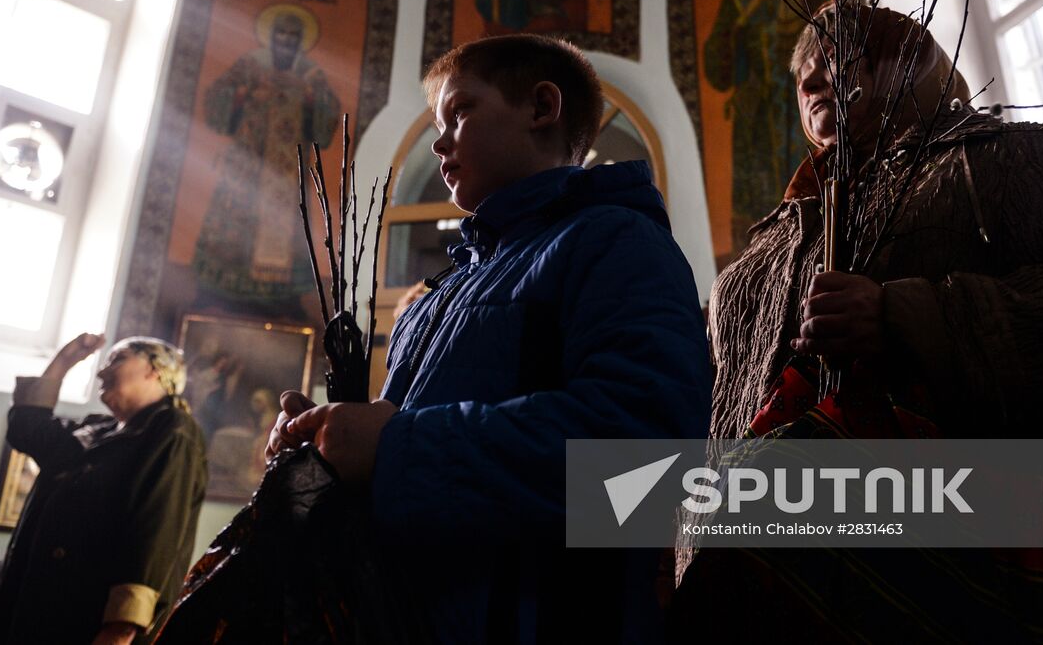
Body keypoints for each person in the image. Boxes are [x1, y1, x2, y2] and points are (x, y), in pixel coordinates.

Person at [672, 4, 1043, 643]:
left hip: (984, 593)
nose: (810, 82)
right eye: (802, 75)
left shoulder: (1006, 160)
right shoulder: (763, 249)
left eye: (836, 57)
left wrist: (908, 316)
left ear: (910, 57)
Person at [269, 34, 712, 643]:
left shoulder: (617, 243)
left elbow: (649, 467)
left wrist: (395, 450)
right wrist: (327, 441)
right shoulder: (440, 296)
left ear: (541, 108)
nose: (439, 142)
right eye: (437, 125)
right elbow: (397, 443)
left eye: (460, 112)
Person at [0, 334, 207, 645]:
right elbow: (28, 430)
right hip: (33, 610)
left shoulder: (173, 428)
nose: (101, 372)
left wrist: (122, 627)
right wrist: (64, 361)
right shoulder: (97, 430)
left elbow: (157, 528)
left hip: (86, 622)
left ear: (155, 370)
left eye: (117, 359)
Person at [193, 2, 340, 304]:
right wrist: (243, 93)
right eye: (281, 34)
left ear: (299, 42)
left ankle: (279, 297)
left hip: (285, 170)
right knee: (235, 218)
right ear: (271, 37)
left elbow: (326, 118)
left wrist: (309, 97)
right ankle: (220, 288)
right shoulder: (250, 65)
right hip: (247, 161)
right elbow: (218, 99)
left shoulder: (310, 74)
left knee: (285, 225)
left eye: (292, 36)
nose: (286, 41)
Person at [702, 0, 830, 249]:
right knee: (760, 189)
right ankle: (767, 245)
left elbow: (830, 24)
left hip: (797, 100)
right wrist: (731, 39)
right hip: (757, 109)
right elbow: (717, 68)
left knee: (809, 168)